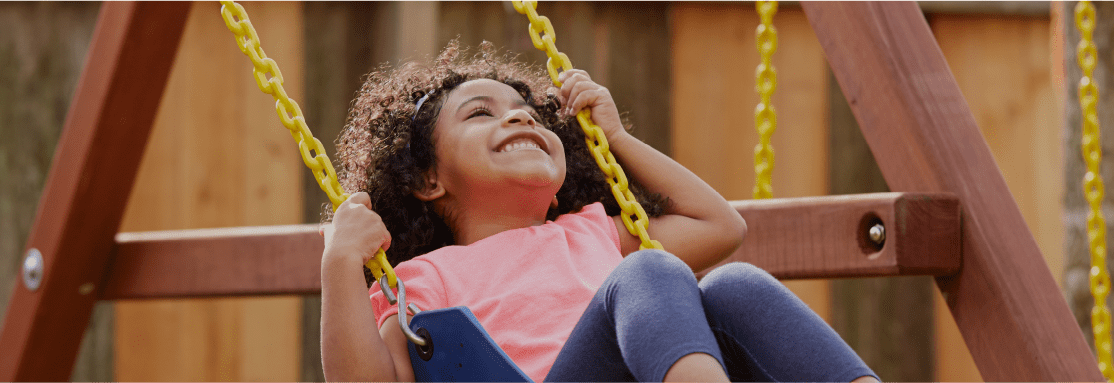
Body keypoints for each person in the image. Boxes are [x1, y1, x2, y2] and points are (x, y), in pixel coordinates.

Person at [319, 41, 877, 383]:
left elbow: (722, 228)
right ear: (426, 179)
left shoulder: (587, 232)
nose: (520, 120)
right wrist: (339, 261)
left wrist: (617, 139)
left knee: (735, 285)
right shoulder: (421, 280)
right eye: (480, 114)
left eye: (530, 112)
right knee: (648, 270)